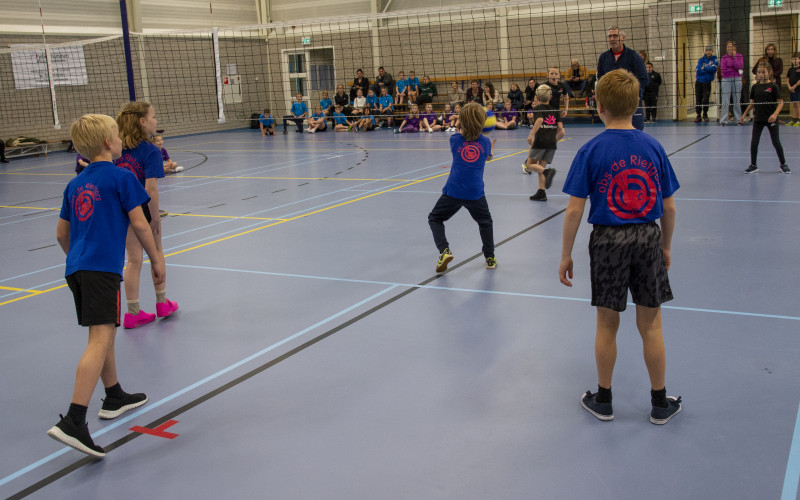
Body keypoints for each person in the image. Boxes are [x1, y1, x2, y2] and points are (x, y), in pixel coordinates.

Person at [559, 69, 681, 426]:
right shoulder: (653, 146)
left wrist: (566, 254)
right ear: (637, 105)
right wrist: (666, 247)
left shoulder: (590, 149)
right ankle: (660, 403)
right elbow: (670, 207)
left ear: (598, 106)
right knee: (652, 325)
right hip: (647, 237)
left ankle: (604, 399)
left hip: (608, 241)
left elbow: (574, 209)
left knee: (607, 324)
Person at [47, 114, 166, 458]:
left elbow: (61, 234)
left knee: (105, 331)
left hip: (77, 268)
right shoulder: (122, 177)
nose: (119, 140)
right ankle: (74, 419)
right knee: (99, 339)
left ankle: (113, 395)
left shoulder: (75, 184)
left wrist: (80, 259)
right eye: (116, 135)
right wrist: (156, 259)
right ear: (107, 144)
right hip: (101, 270)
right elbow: (141, 225)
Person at [114, 101, 179, 328]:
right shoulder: (151, 151)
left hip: (122, 210)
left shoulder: (116, 149)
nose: (156, 120)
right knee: (156, 252)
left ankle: (132, 312)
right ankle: (162, 302)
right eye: (153, 116)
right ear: (142, 122)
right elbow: (150, 188)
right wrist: (155, 218)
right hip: (141, 209)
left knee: (133, 259)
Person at [427, 102, 497, 272]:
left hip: (454, 191)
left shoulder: (455, 140)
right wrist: (490, 151)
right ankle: (490, 258)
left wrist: (459, 119)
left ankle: (444, 250)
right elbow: (488, 158)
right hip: (475, 193)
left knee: (435, 218)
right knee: (485, 223)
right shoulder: (486, 142)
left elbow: (461, 132)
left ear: (462, 123)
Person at [741, 61, 790, 174]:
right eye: (759, 72)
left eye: (763, 72)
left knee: (776, 142)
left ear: (770, 72)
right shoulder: (755, 87)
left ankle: (783, 164)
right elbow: (752, 103)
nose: (761, 74)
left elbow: (781, 103)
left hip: (771, 119)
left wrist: (775, 115)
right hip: (758, 119)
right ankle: (753, 165)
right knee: (754, 142)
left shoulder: (773, 86)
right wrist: (744, 115)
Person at [597, 26, 648, 130]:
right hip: (612, 105)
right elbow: (601, 79)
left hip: (631, 103)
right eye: (610, 36)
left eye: (615, 36)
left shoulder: (634, 56)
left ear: (623, 37)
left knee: (635, 134)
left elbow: (644, 79)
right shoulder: (603, 57)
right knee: (615, 134)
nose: (612, 39)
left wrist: (628, 91)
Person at [522, 85, 564, 201]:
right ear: (550, 97)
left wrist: (531, 134)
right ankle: (541, 192)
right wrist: (554, 140)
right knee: (540, 167)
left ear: (536, 97)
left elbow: (540, 120)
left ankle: (548, 172)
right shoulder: (555, 110)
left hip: (540, 141)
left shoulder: (538, 109)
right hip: (551, 144)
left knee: (530, 165)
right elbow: (562, 130)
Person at [719, 40, 744, 126]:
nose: (730, 48)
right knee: (725, 100)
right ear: (726, 48)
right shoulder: (724, 57)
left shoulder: (739, 56)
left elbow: (739, 66)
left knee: (737, 99)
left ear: (734, 48)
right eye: (728, 47)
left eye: (731, 47)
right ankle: (723, 120)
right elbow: (723, 70)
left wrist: (734, 57)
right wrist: (732, 70)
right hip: (726, 79)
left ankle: (738, 120)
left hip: (737, 79)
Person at [694, 46, 718, 122]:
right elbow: (698, 70)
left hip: (707, 82)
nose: (708, 51)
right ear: (705, 51)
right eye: (707, 50)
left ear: (712, 51)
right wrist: (707, 69)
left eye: (710, 50)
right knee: (698, 99)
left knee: (706, 99)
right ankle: (698, 115)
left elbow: (714, 68)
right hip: (699, 82)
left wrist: (704, 68)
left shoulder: (714, 58)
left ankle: (705, 114)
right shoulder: (701, 59)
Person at [788, 52, 800, 126]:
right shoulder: (791, 69)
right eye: (793, 59)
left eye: (796, 59)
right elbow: (787, 78)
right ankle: (794, 119)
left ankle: (799, 119)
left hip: (798, 89)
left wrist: (794, 86)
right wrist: (789, 87)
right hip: (792, 90)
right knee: (794, 104)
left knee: (799, 104)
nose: (794, 60)